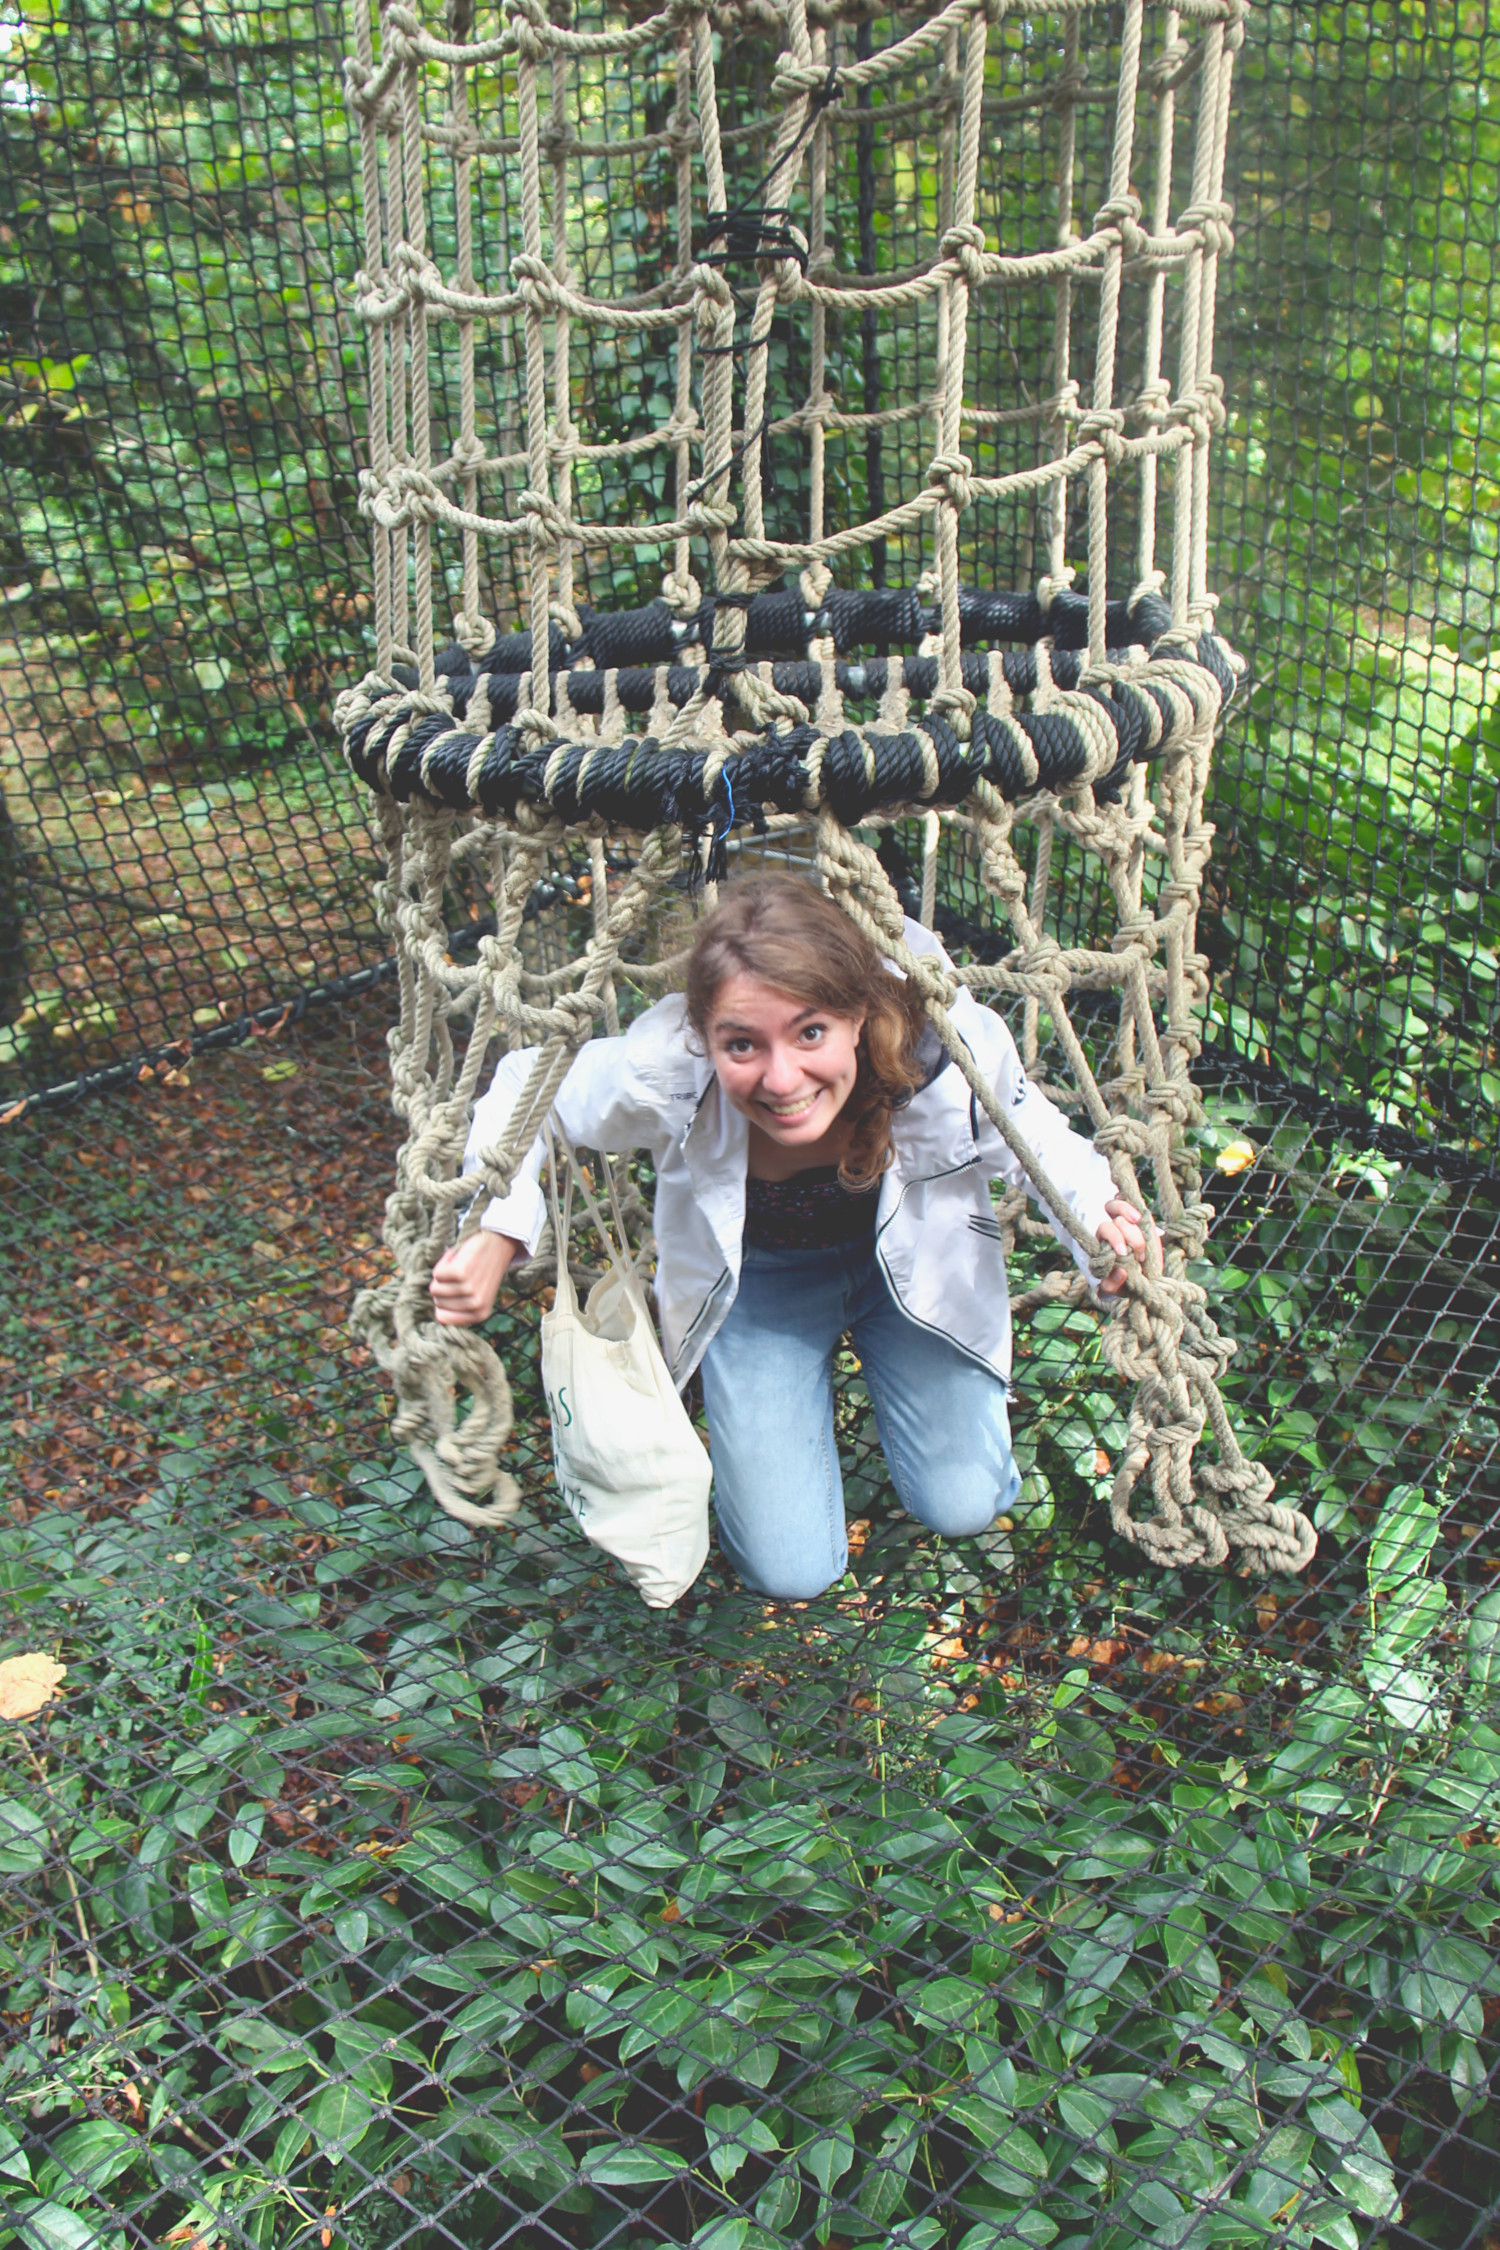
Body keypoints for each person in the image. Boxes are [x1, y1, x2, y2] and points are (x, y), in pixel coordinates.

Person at [431, 872, 1147, 1600]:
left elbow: (1034, 1138)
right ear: (704, 1037)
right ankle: (783, 1441)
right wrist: (495, 1228)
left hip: (904, 1266)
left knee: (967, 1502)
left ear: (859, 1016)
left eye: (810, 1033)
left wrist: (1094, 1217)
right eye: (742, 1044)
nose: (781, 1078)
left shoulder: (940, 1058)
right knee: (790, 1571)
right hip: (761, 1286)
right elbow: (531, 1087)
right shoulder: (670, 1071)